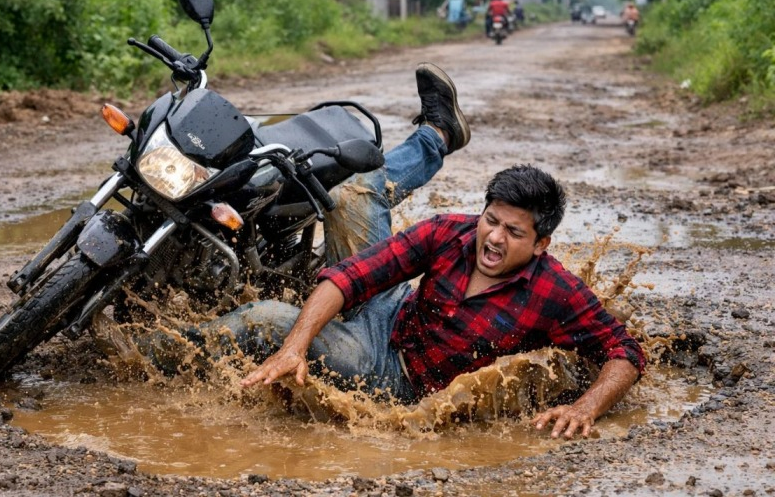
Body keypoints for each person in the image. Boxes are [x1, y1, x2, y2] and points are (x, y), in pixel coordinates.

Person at [138, 63, 646, 440]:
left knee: (266, 319)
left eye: (513, 233)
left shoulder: (555, 291)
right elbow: (350, 278)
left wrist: (587, 406)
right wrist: (298, 347)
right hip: (392, 311)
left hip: (394, 373)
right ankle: (438, 136)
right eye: (491, 220)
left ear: (541, 245)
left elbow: (624, 351)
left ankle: (142, 357)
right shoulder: (454, 231)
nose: (493, 238)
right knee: (352, 190)